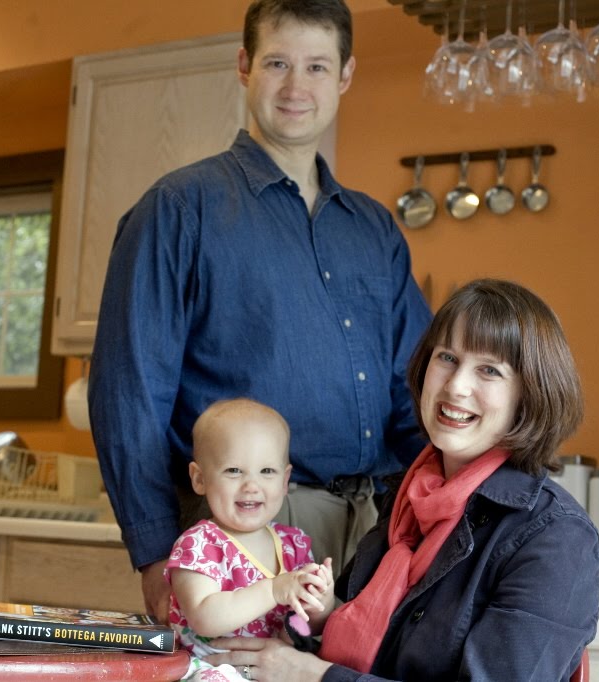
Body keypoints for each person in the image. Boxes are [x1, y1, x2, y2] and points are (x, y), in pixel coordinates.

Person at [88, 0, 432, 623]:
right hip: (237, 539)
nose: (297, 87)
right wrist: (153, 556)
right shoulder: (178, 209)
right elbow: (130, 393)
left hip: (375, 531)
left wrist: (443, 510)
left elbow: (413, 390)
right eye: (278, 62)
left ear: (346, 76)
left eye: (317, 67)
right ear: (244, 66)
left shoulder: (375, 230)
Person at [204, 279, 599, 681]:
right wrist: (319, 619)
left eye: (489, 370)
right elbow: (332, 639)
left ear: (529, 394)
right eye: (447, 357)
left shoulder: (557, 538)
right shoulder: (407, 500)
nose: (455, 386)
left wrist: (315, 676)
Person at [167, 399, 335, 680]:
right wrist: (273, 590)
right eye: (234, 470)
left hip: (278, 671)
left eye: (267, 471)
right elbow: (204, 618)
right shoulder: (199, 544)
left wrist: (318, 603)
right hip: (211, 668)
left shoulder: (294, 544)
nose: (251, 485)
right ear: (200, 479)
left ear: (284, 480)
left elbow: (303, 631)